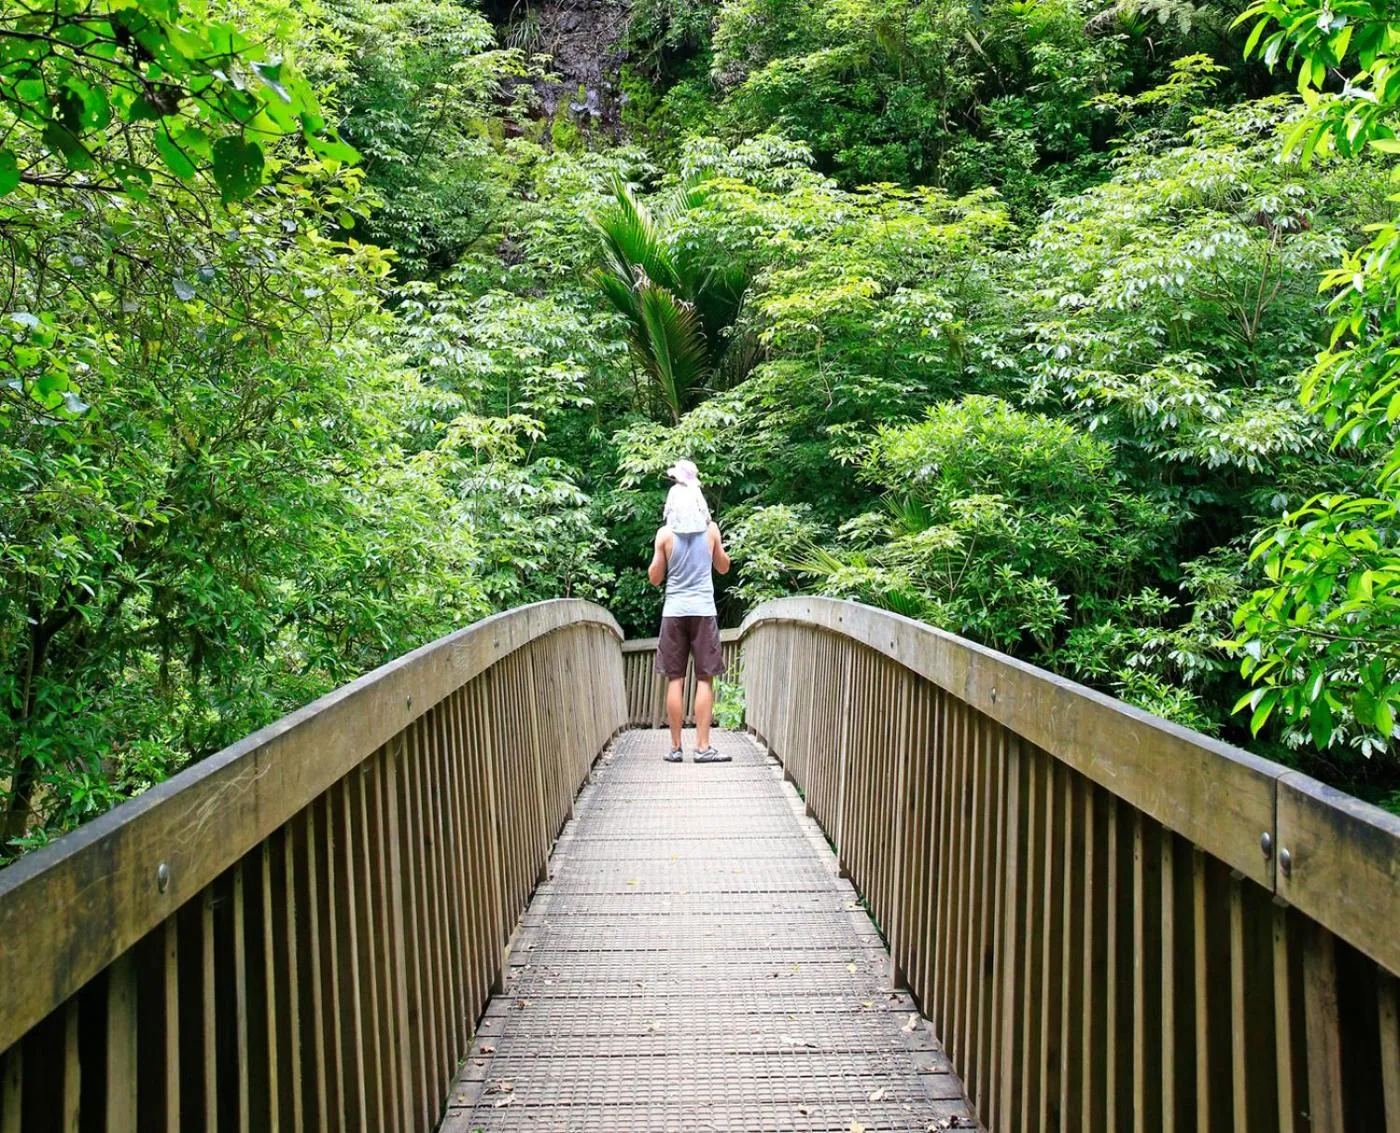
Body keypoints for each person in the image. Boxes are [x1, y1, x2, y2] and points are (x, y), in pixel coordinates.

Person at [647, 459, 731, 763]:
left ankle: (675, 747)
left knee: (675, 678)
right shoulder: (711, 531)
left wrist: (661, 557)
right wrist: (717, 549)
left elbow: (655, 578)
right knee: (705, 679)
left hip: (674, 612)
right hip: (703, 609)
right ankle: (704, 747)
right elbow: (722, 567)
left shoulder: (664, 535)